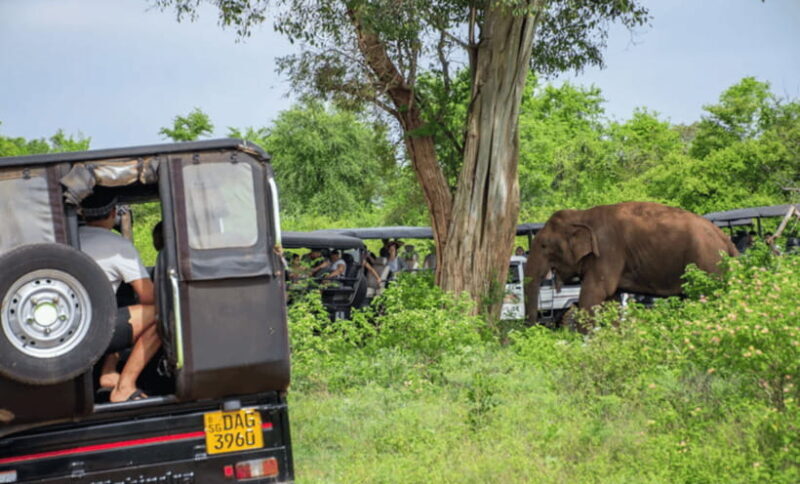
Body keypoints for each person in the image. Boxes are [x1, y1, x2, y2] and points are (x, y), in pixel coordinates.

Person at [79, 188, 160, 402]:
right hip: (96, 331)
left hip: (64, 331)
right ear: (113, 213)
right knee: (161, 315)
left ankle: (108, 373)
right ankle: (124, 386)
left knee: (118, 311)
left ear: (82, 213)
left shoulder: (60, 241)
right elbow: (148, 298)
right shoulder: (117, 246)